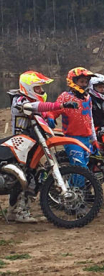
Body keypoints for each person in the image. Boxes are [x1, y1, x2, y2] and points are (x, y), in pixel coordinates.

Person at [7, 71, 78, 223]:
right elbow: (37, 106)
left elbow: (41, 112)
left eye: (40, 88)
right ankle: (18, 212)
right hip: (20, 146)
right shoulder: (19, 101)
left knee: (34, 176)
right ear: (29, 87)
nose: (41, 91)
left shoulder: (29, 101)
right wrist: (61, 105)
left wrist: (48, 118)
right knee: (24, 178)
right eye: (38, 88)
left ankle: (17, 211)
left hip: (33, 143)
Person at [47, 67, 99, 171]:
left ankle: (76, 187)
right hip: (72, 138)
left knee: (86, 169)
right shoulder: (65, 97)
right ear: (73, 81)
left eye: (86, 82)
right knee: (80, 168)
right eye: (81, 81)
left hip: (86, 138)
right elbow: (53, 110)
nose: (84, 84)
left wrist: (94, 140)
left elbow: (90, 120)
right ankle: (75, 186)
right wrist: (50, 117)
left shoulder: (88, 98)